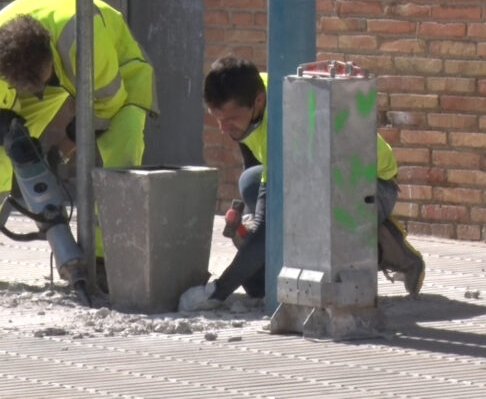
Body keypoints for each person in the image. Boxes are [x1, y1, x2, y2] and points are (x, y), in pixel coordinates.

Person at [0, 0, 158, 288]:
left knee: (122, 151)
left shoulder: (85, 39)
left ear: (49, 55)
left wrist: (62, 150)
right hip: (37, 77)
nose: (40, 92)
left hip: (115, 74)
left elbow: (106, 106)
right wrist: (6, 132)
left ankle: (104, 259)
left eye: (41, 81)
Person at [179, 55, 425, 311]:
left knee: (313, 226)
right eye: (217, 118)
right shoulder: (249, 99)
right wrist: (251, 228)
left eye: (230, 119)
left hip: (369, 184)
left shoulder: (283, 122)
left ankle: (391, 248)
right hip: (318, 176)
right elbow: (258, 176)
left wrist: (217, 291)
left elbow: (270, 223)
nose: (223, 127)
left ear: (258, 102)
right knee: (252, 190)